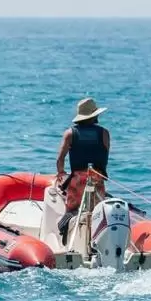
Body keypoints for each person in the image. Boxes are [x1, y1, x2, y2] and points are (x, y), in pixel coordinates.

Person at [54, 97, 111, 241]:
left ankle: (68, 240)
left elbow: (60, 159)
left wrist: (61, 174)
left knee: (72, 211)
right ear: (95, 115)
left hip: (78, 179)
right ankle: (96, 241)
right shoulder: (104, 133)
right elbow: (105, 156)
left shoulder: (70, 134)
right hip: (97, 177)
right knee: (96, 212)